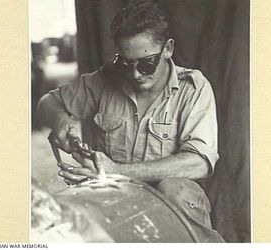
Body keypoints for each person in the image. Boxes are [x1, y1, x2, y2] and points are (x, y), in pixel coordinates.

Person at [37, 0, 224, 243]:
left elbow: (199, 162)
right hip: (112, 188)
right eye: (126, 63)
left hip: (167, 196)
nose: (135, 75)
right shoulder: (104, 80)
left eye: (147, 64)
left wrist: (119, 172)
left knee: (176, 190)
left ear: (168, 49)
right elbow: (47, 102)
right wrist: (62, 121)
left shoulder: (194, 89)